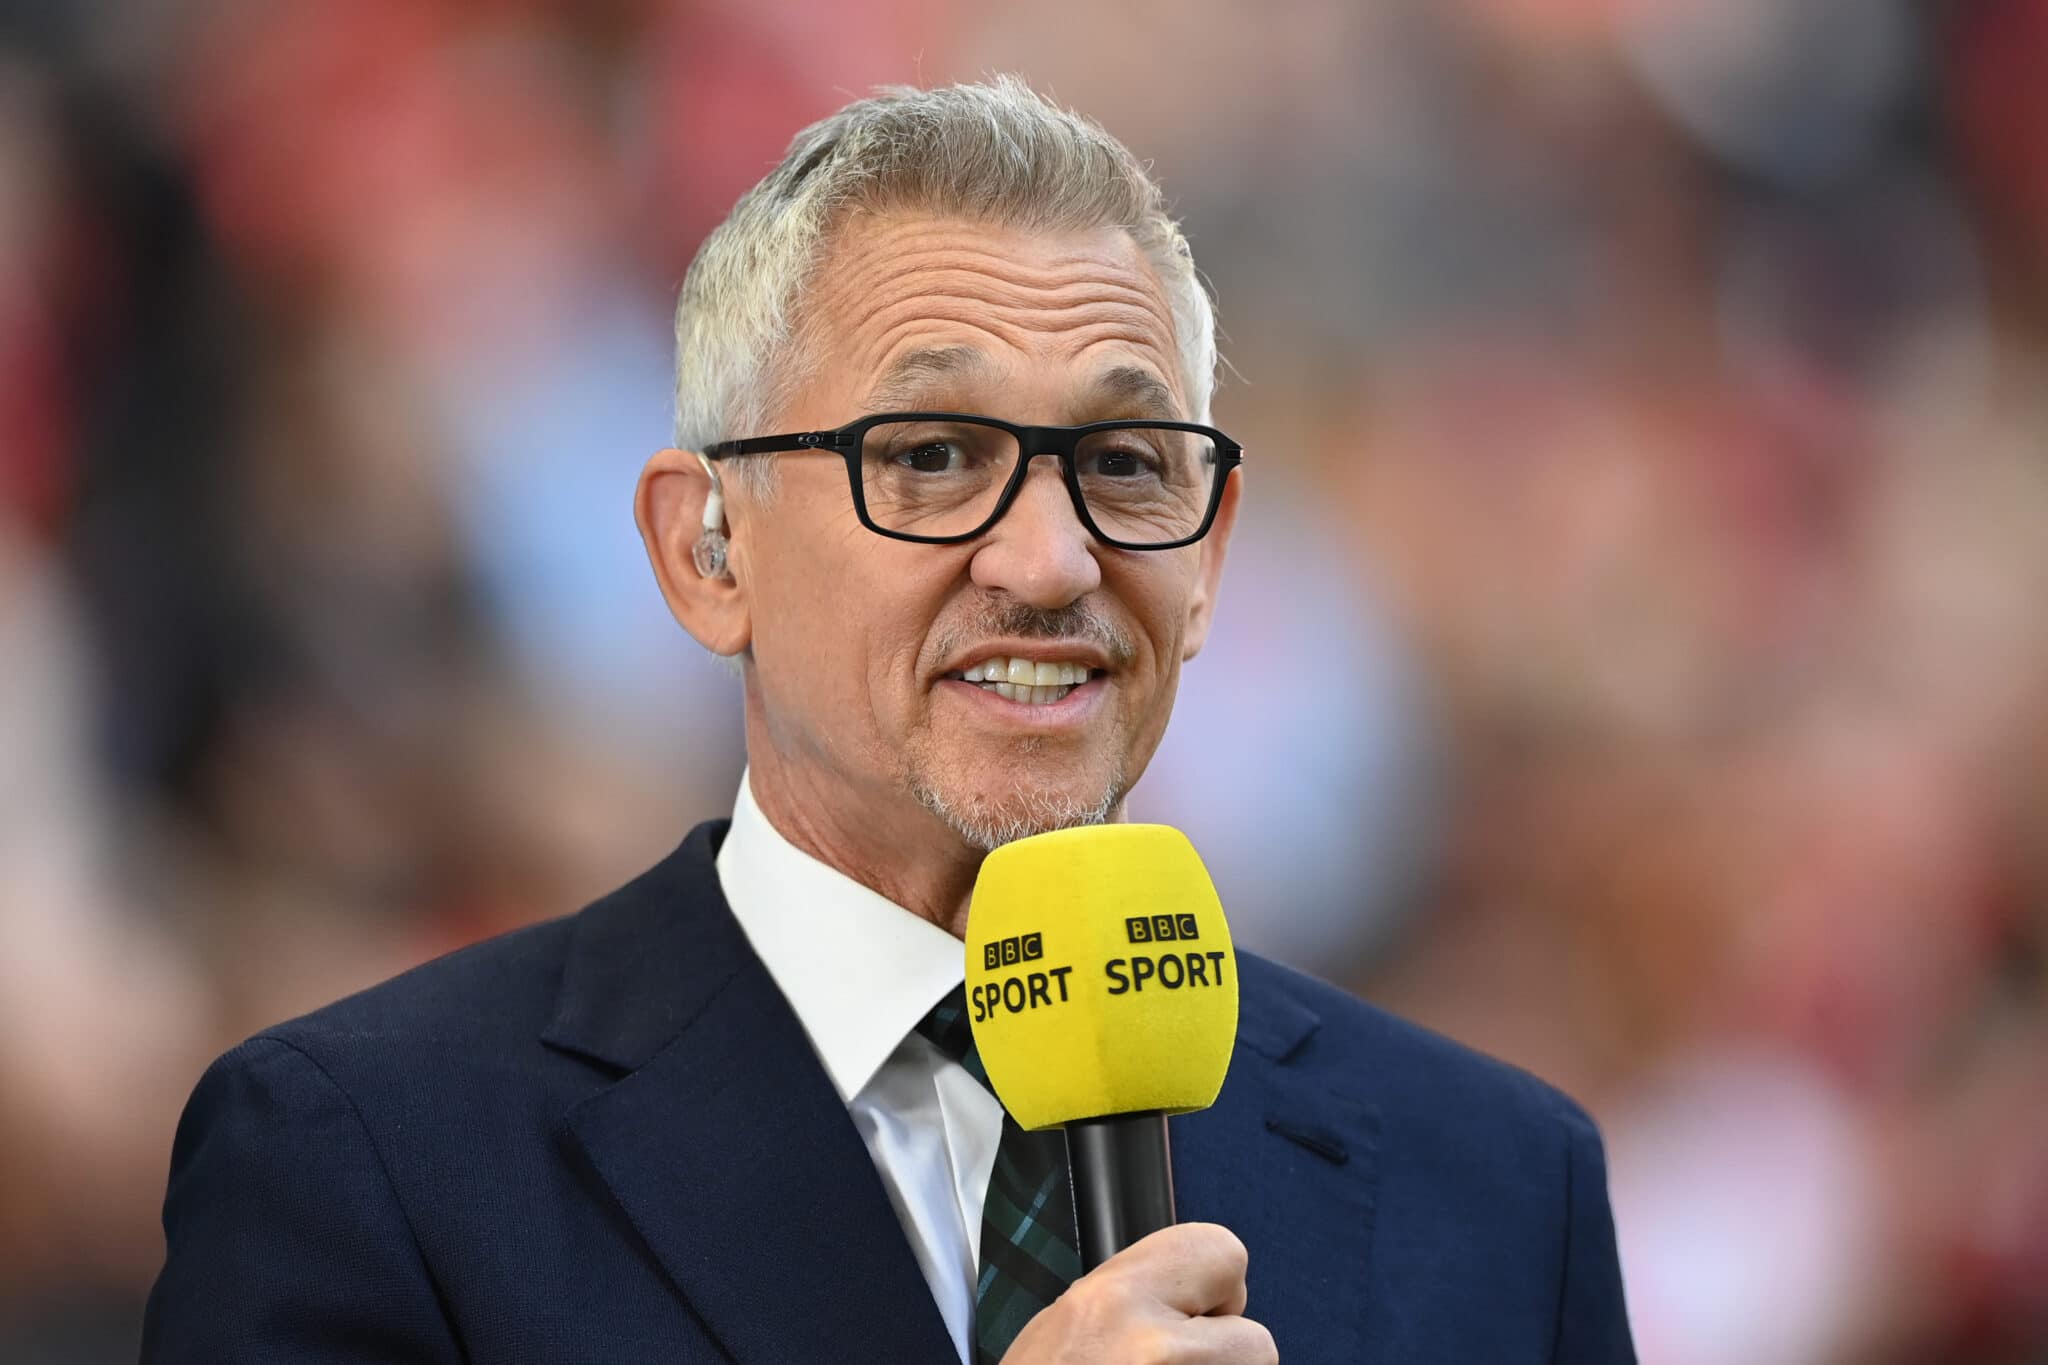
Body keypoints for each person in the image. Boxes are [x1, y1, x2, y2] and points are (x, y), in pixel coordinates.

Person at [143, 78, 1635, 1364]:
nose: (1050, 562)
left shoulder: (1497, 1186)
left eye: (1124, 462)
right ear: (707, 549)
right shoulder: (370, 1161)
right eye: (929, 454)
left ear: (1210, 555)